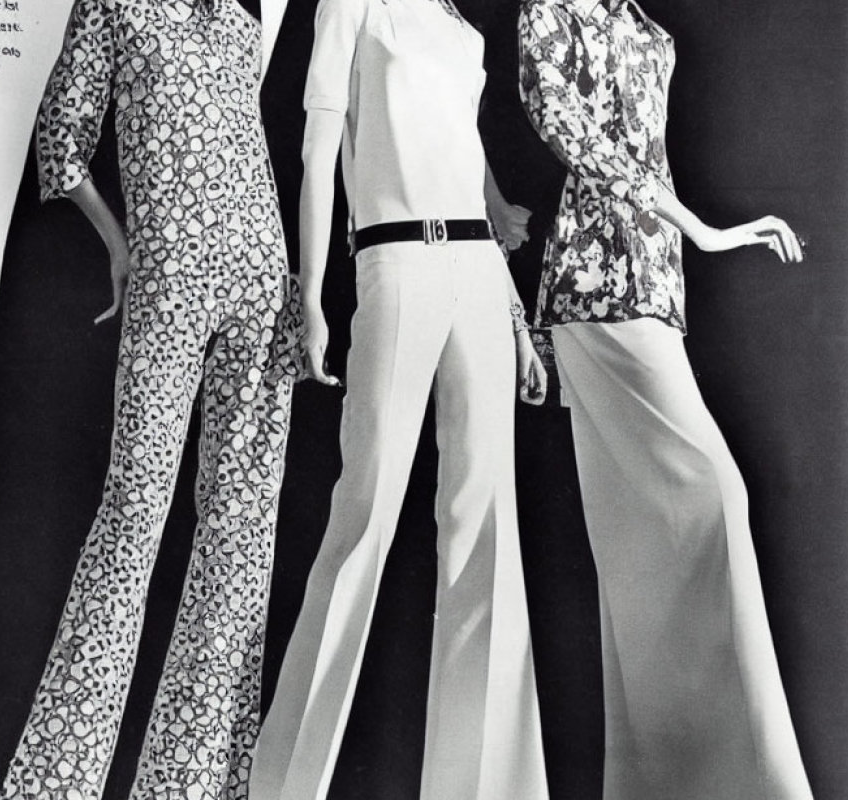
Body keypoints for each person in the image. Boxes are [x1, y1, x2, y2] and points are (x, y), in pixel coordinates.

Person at [0, 0, 300, 798]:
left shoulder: (238, 19)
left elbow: (253, 152)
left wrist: (292, 291)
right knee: (134, 515)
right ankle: (55, 783)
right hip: (171, 279)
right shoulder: (116, 5)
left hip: (261, 280)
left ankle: (193, 786)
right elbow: (61, 141)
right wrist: (120, 243)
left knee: (241, 538)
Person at [246, 0, 551, 798]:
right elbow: (318, 153)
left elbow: (466, 159)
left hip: (480, 274)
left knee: (487, 534)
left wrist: (517, 320)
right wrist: (307, 294)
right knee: (363, 518)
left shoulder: (461, 31)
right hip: (393, 261)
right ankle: (282, 786)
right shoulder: (354, 7)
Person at [517, 0, 812, 798]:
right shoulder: (549, 15)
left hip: (654, 295)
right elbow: (575, 137)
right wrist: (703, 230)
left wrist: (682, 248)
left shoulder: (650, 31)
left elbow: (647, 154)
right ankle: (764, 783)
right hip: (592, 295)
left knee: (643, 557)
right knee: (716, 496)